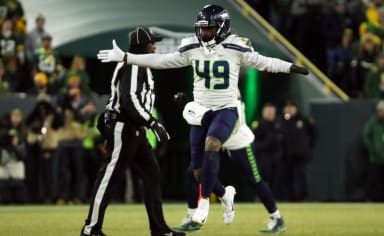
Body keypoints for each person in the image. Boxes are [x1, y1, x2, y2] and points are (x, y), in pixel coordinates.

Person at [97, 4, 309, 226]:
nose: (203, 33)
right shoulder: (192, 47)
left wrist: (291, 67)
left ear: (222, 28)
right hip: (201, 112)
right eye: (202, 28)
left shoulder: (235, 47)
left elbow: (265, 62)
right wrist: (126, 57)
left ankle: (207, 203)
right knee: (196, 170)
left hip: (228, 112)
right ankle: (224, 195)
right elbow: (161, 61)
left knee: (221, 150)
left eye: (209, 29)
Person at [80, 26, 184, 236]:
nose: (155, 47)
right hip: (124, 127)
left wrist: (146, 124)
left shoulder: (139, 64)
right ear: (143, 46)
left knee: (152, 174)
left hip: (135, 129)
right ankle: (91, 229)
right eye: (152, 43)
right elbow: (129, 99)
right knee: (109, 178)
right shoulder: (134, 64)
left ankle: (159, 229)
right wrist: (152, 122)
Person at [173, 92, 287, 233]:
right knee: (194, 172)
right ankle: (193, 216)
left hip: (238, 141)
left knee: (254, 180)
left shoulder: (229, 93)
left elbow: (219, 116)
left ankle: (277, 218)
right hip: (216, 141)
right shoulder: (208, 90)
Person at [280, 101, 316, 201]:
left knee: (301, 177)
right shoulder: (281, 121)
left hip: (300, 155)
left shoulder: (304, 120)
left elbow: (314, 135)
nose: (289, 110)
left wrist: (307, 147)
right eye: (287, 107)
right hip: (286, 156)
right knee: (287, 178)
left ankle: (302, 198)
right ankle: (289, 198)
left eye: (291, 107)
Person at [253, 103, 284, 199]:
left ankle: (275, 199)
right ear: (263, 112)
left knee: (277, 180)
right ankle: (261, 198)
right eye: (268, 111)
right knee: (262, 178)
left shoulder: (279, 124)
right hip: (263, 157)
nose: (270, 114)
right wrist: (268, 142)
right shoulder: (258, 124)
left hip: (277, 157)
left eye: (272, 112)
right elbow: (254, 143)